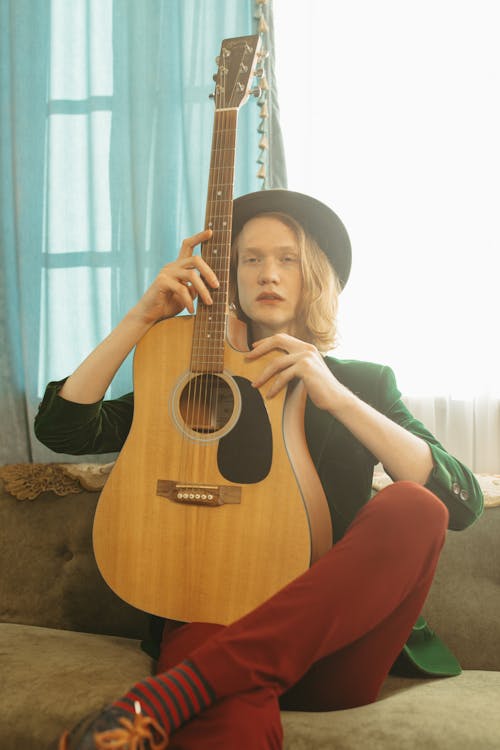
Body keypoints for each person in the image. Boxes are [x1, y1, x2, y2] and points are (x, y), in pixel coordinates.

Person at [35, 189, 483, 750]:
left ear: (312, 276)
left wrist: (336, 397)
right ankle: (205, 682)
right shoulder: (186, 379)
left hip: (337, 651)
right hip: (213, 626)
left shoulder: (364, 384)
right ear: (229, 274)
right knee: (223, 692)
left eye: (287, 258)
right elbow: (63, 431)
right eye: (251, 258)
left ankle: (186, 688)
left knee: (415, 506)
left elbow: (459, 502)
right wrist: (141, 316)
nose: (268, 273)